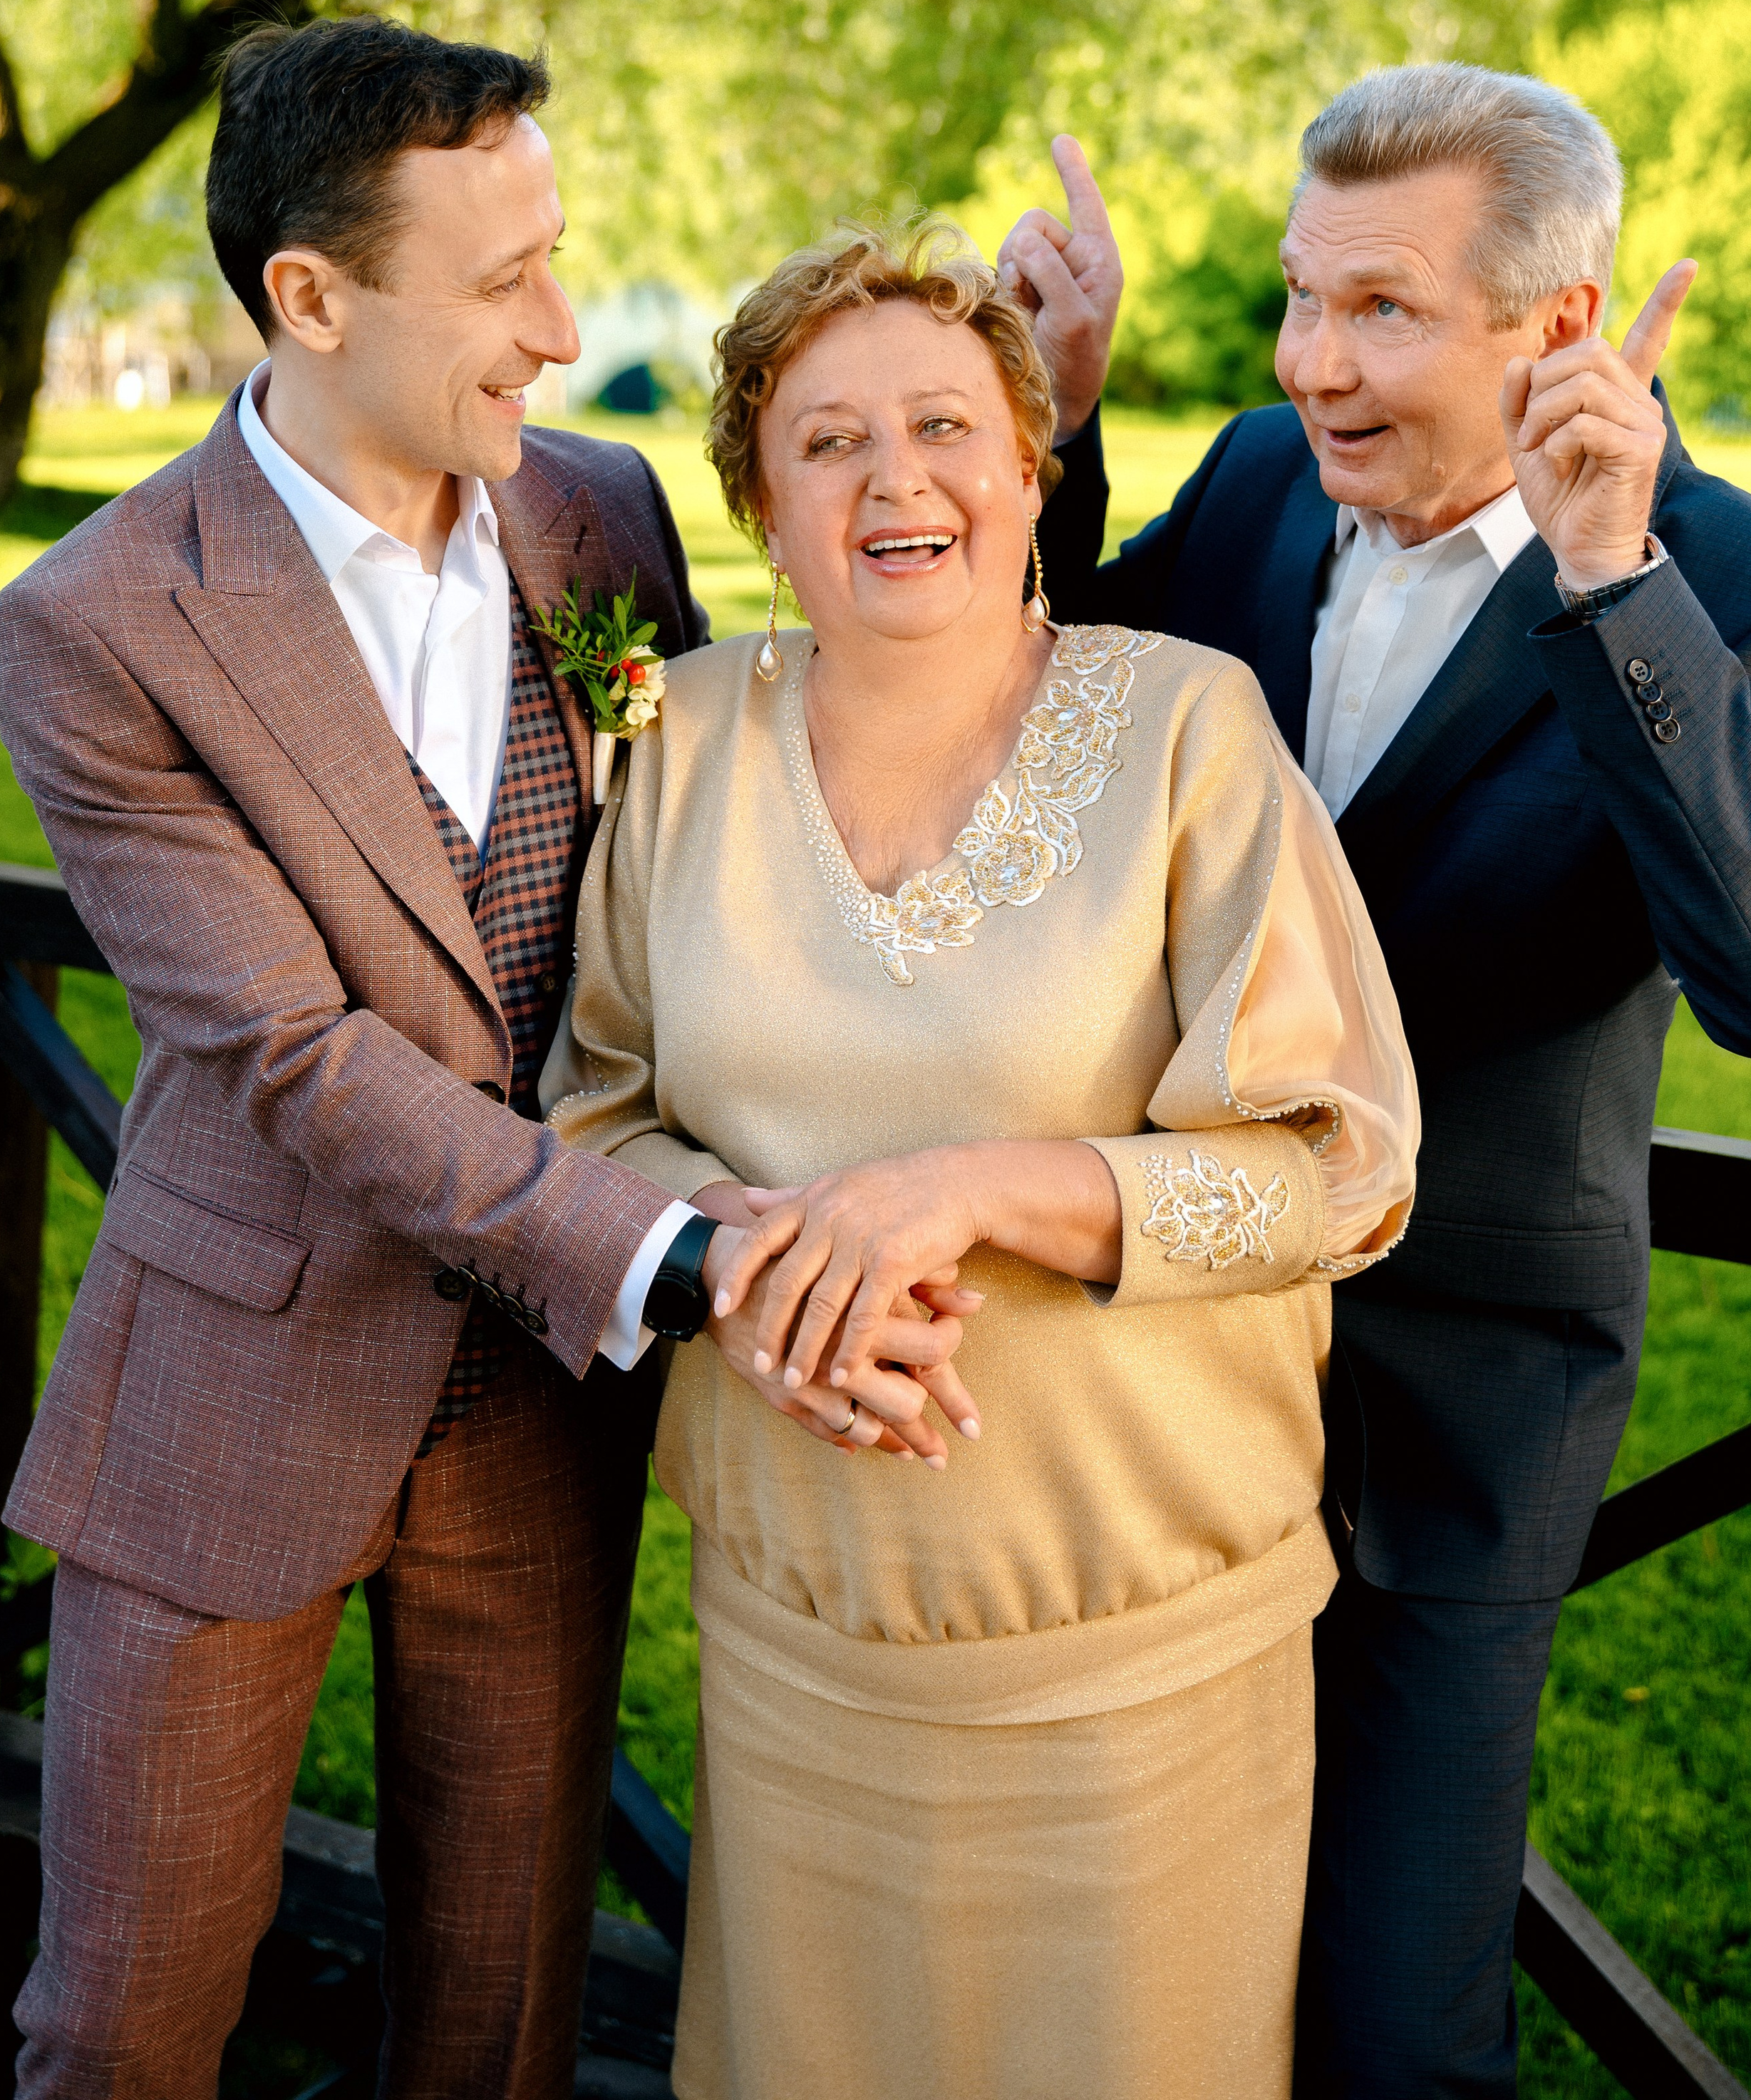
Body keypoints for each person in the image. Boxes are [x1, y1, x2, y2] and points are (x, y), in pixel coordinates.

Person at [0, 16, 855, 2098]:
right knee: (119, 2029)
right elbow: (292, 1051)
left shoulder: (606, 524)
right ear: (312, 294)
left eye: (560, 256)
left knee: (501, 2019)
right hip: (233, 1394)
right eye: (503, 282)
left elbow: (685, 882)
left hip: (537, 1416)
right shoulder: (96, 626)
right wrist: (673, 1254)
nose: (561, 329)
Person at [547, 218, 1418, 2100]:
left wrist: (966, 1191)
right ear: (762, 506)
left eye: (946, 425)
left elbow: (1336, 1170)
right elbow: (596, 1105)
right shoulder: (671, 738)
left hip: (1137, 1682)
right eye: (826, 440)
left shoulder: (1191, 726)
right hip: (803, 1659)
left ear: (1030, 463)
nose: (897, 481)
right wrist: (747, 1259)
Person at [1009, 61, 1751, 2097]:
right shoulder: (1261, 477)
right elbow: (1067, 726)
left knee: (1391, 2010)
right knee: (1139, 1941)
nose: (1314, 363)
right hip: (1163, 1350)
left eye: (1383, 312)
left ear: (1561, 326)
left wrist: (1616, 583)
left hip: (1463, 1398)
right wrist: (1055, 429)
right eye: (1297, 296)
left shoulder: (1728, 576)